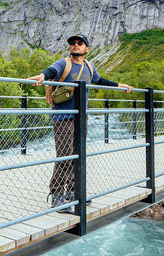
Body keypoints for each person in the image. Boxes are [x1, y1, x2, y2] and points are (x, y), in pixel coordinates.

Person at [28, 33, 132, 207]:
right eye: (73, 43)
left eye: (79, 43)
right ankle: (57, 193)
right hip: (62, 117)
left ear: (87, 49)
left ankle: (73, 191)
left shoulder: (89, 67)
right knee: (64, 155)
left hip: (81, 117)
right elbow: (51, 71)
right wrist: (42, 76)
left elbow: (100, 81)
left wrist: (121, 86)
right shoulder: (64, 64)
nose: (75, 45)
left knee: (78, 155)